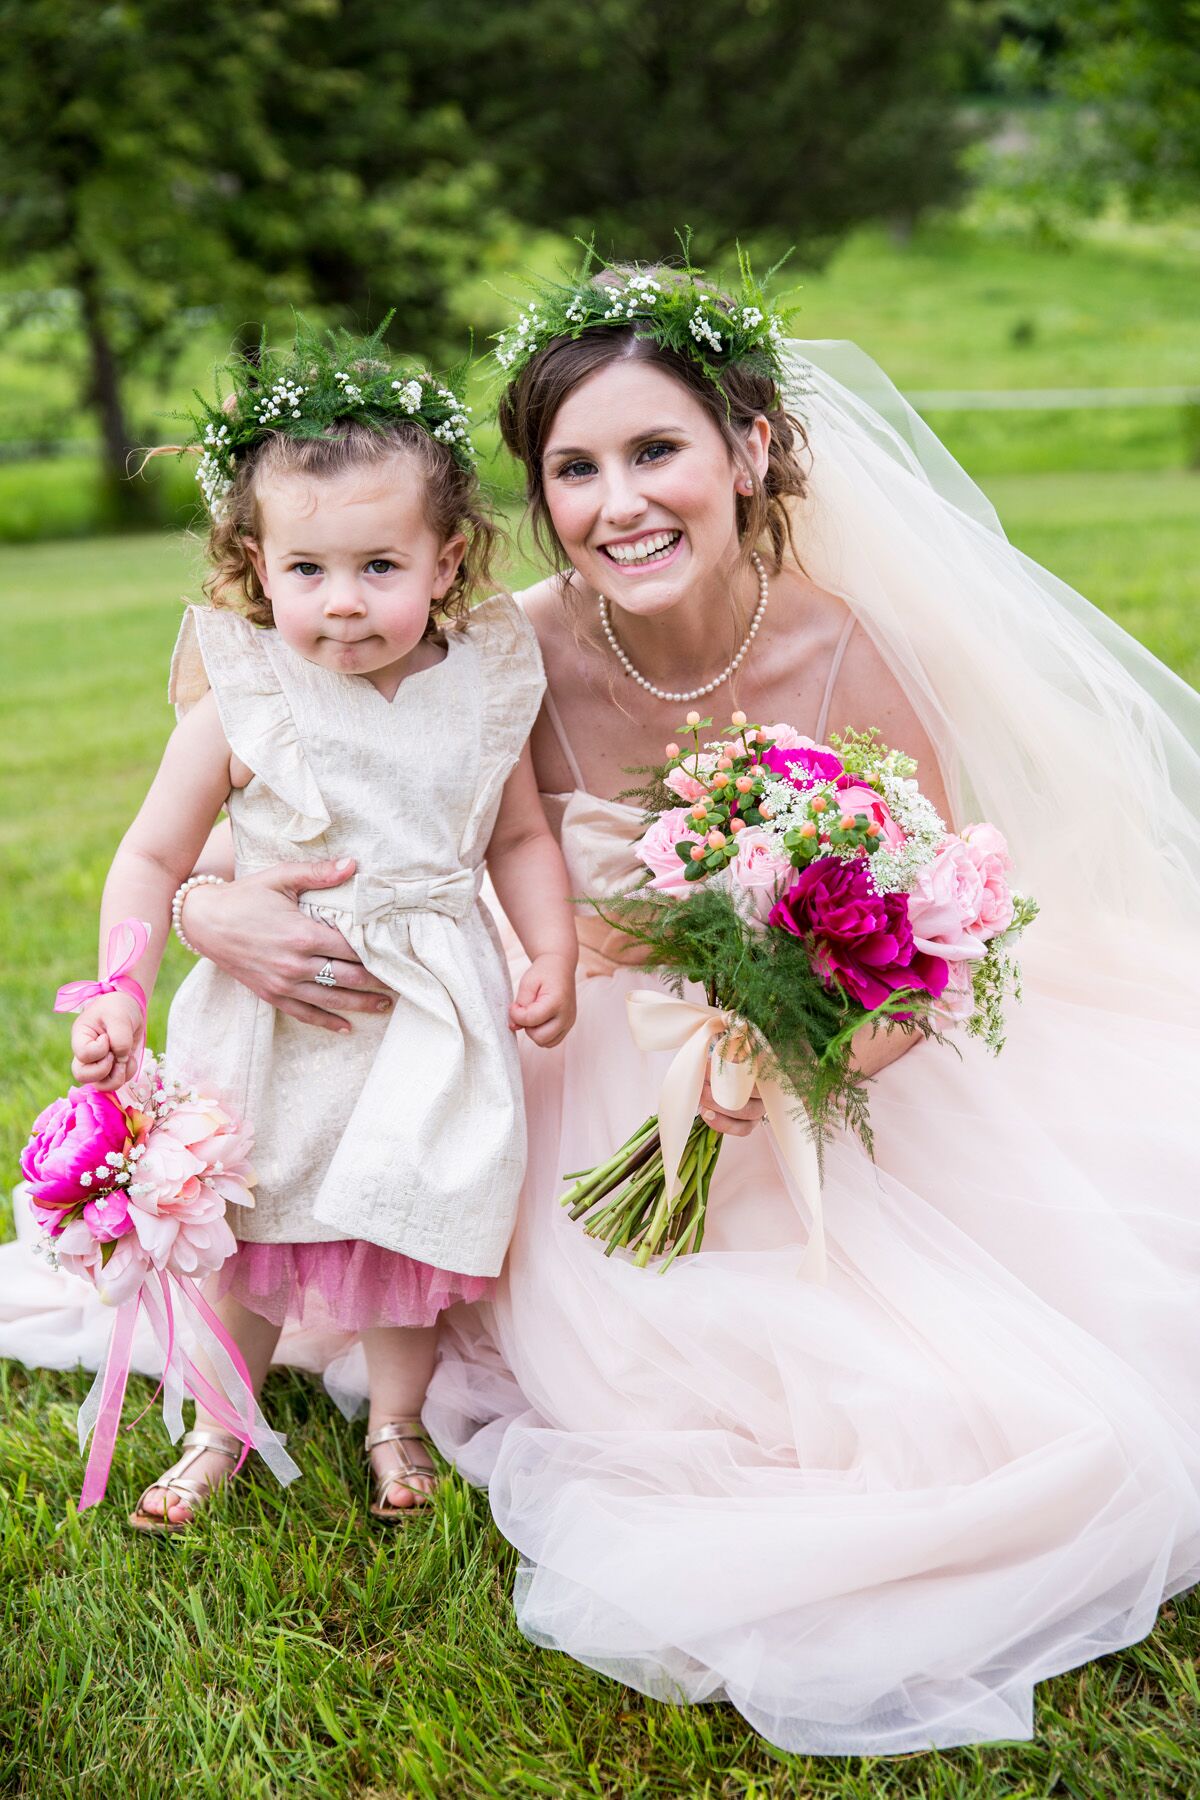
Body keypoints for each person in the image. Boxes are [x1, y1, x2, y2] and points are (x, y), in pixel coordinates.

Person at [47, 260, 1200, 1751]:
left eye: (656, 451)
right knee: (588, 1304)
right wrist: (204, 912)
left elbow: (942, 922)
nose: (618, 503)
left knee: (934, 1353)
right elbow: (304, 809)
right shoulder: (500, 649)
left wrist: (810, 1038)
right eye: (574, 469)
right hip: (549, 1030)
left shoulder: (849, 650)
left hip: (790, 1050)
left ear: (753, 450)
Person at [61, 321, 577, 1532]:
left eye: (379, 569)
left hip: (430, 1005)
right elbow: (152, 854)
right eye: (308, 572)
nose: (343, 605)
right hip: (273, 1016)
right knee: (256, 1217)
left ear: (447, 559)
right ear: (258, 560)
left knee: (409, 1210)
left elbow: (514, 839)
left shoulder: (485, 685)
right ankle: (218, 1425)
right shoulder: (244, 692)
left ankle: (397, 1415)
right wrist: (121, 993)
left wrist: (546, 950)